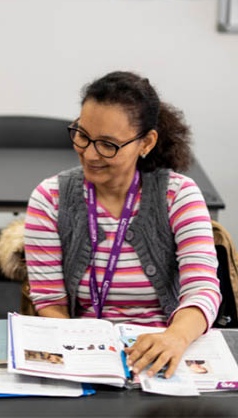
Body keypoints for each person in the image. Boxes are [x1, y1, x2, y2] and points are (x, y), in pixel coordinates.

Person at [24, 71, 221, 379]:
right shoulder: (50, 199)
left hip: (166, 344)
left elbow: (202, 291)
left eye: (108, 145)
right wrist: (79, 353)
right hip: (88, 350)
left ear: (146, 143)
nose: (89, 154)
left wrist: (175, 336)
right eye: (82, 135)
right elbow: (50, 300)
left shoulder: (178, 195)